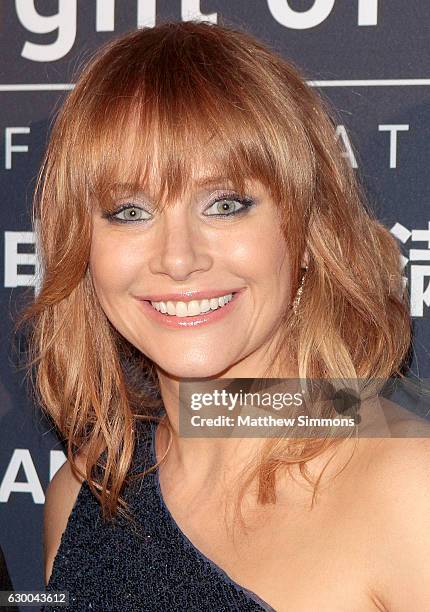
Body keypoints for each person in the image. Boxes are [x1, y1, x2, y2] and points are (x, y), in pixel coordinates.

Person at [15, 19, 430, 612]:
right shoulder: (84, 492)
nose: (179, 259)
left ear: (307, 232)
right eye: (130, 212)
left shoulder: (410, 486)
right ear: (83, 249)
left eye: (226, 204)